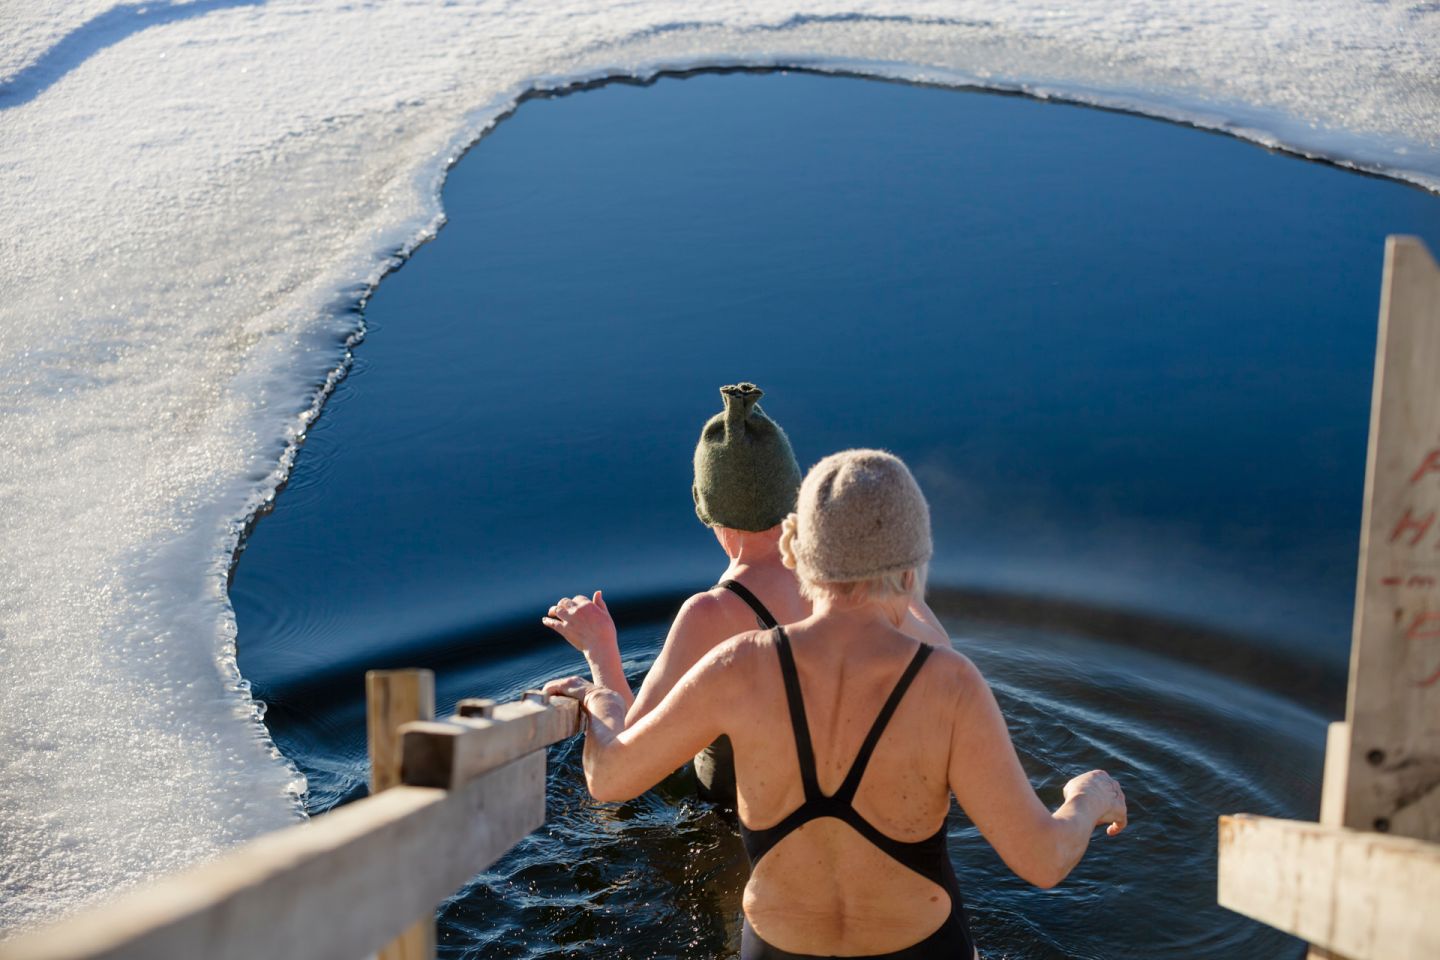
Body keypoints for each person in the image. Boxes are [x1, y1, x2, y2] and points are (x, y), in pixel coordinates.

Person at [545, 449, 1127, 959]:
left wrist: (601, 696)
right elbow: (1043, 863)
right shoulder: (950, 682)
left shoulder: (737, 666)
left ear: (798, 553)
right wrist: (1089, 795)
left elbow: (611, 779)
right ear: (912, 566)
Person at [544, 383, 947, 803]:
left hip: (747, 840)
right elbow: (943, 669)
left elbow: (627, 767)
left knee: (607, 817)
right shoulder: (862, 580)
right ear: (797, 493)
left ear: (704, 506)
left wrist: (600, 661)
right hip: (874, 813)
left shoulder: (712, 615)